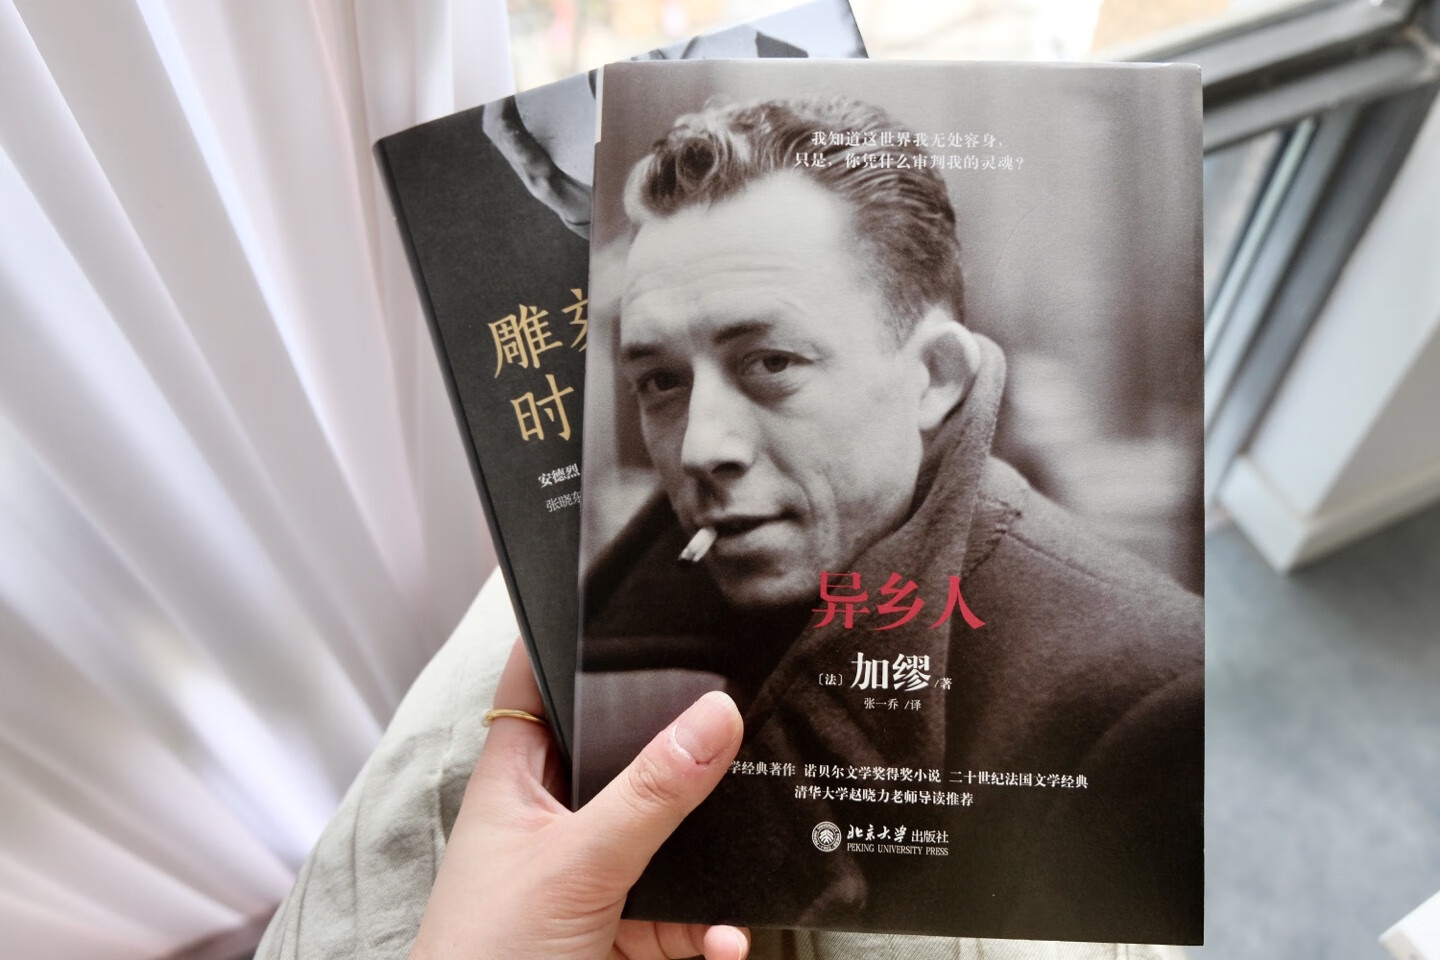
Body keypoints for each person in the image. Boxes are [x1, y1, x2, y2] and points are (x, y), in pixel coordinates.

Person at [578, 96, 1204, 943]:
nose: (700, 447)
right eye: (660, 381)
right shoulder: (609, 672)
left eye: (771, 362)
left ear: (935, 377)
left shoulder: (1151, 701)